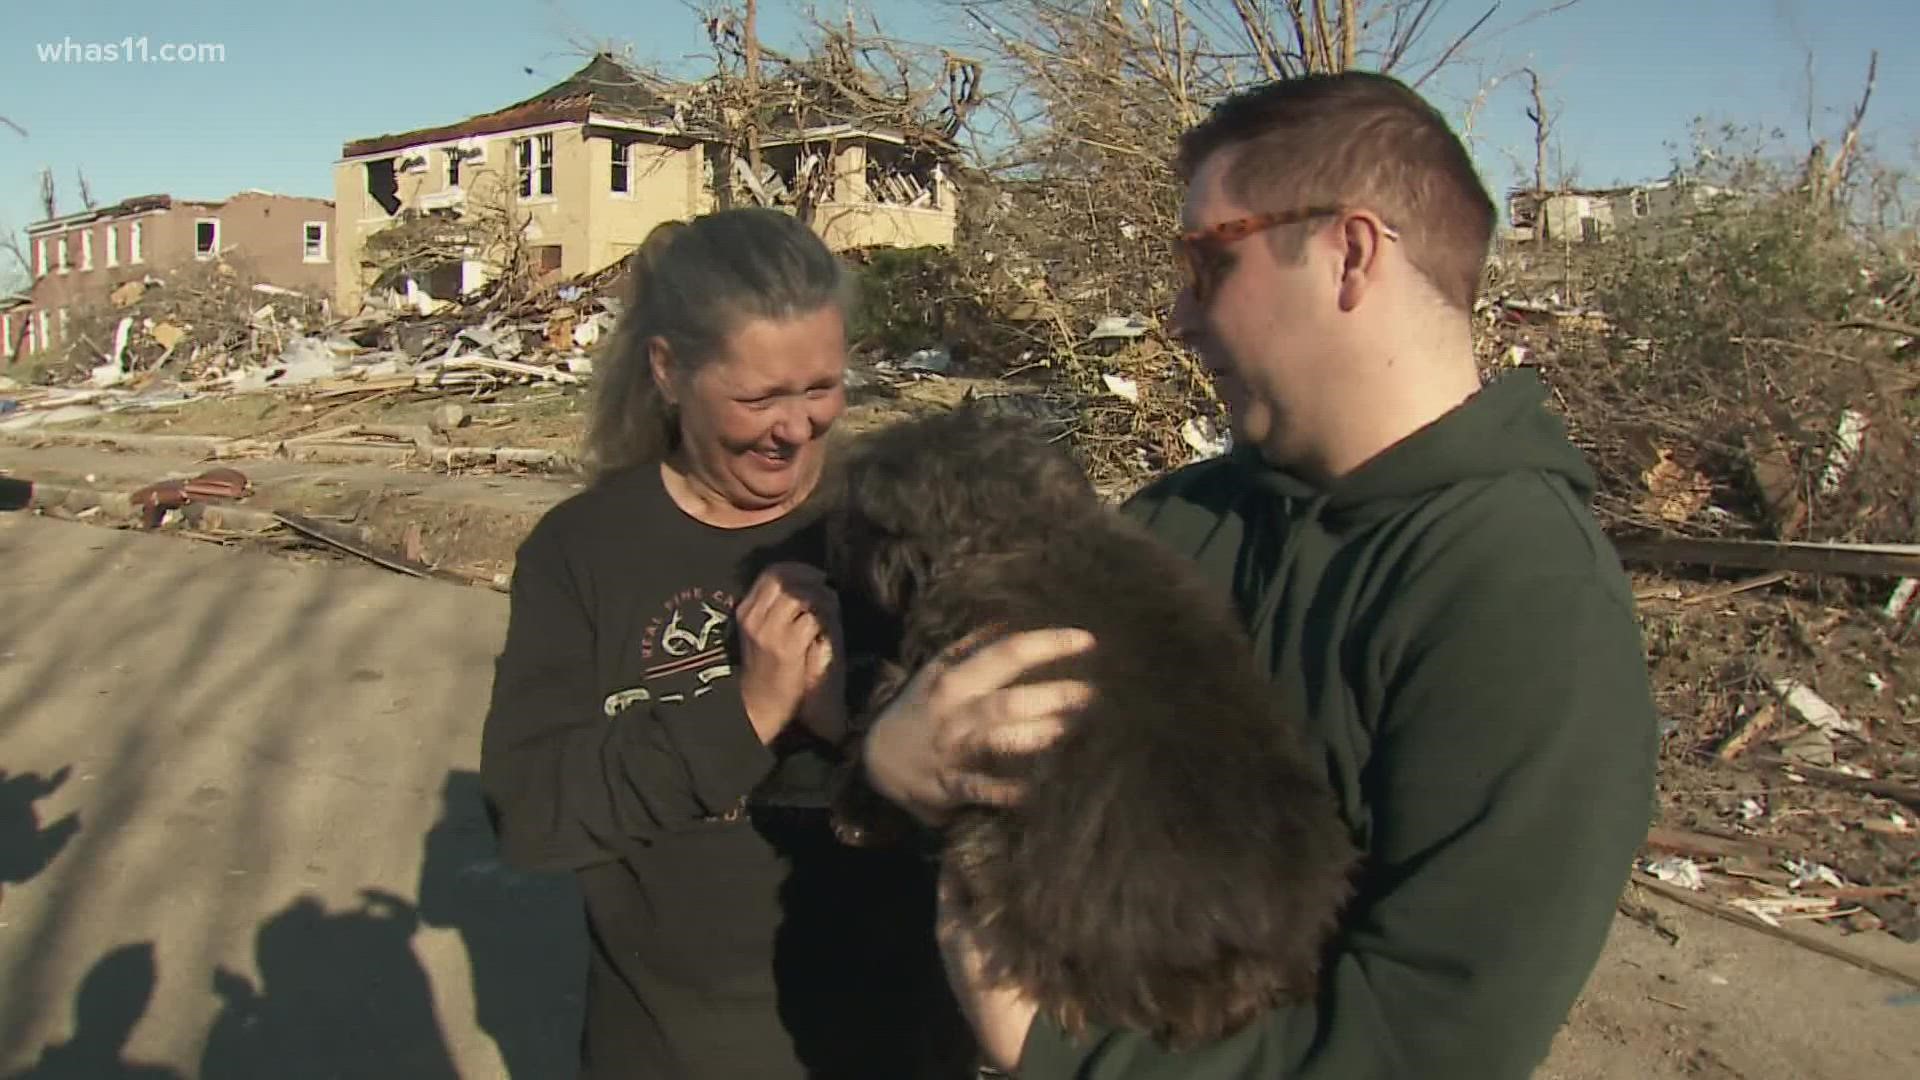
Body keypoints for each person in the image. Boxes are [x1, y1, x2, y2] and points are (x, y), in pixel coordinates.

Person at [853, 71, 1661, 1078]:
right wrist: (892, 763)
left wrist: (1069, 1055)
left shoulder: (1523, 599)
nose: (1179, 317)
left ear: (1350, 254)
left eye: (1206, 262)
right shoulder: (1177, 522)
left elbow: (1430, 1045)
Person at [479, 209, 976, 1079]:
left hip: (899, 1035)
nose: (796, 428)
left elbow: (996, 797)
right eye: (758, 398)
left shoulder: (899, 520)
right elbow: (533, 817)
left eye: (821, 387)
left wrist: (850, 721)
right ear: (670, 372)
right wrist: (744, 713)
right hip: (673, 1046)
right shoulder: (583, 552)